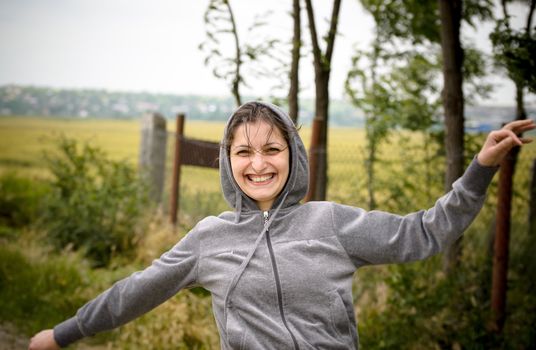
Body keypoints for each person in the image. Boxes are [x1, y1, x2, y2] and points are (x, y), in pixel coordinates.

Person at [29, 101, 535, 350]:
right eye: (244, 151)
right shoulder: (209, 238)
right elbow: (135, 291)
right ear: (228, 161)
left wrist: (480, 168)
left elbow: (426, 232)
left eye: (272, 149)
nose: (259, 164)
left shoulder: (331, 222)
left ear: (292, 156)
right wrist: (63, 334)